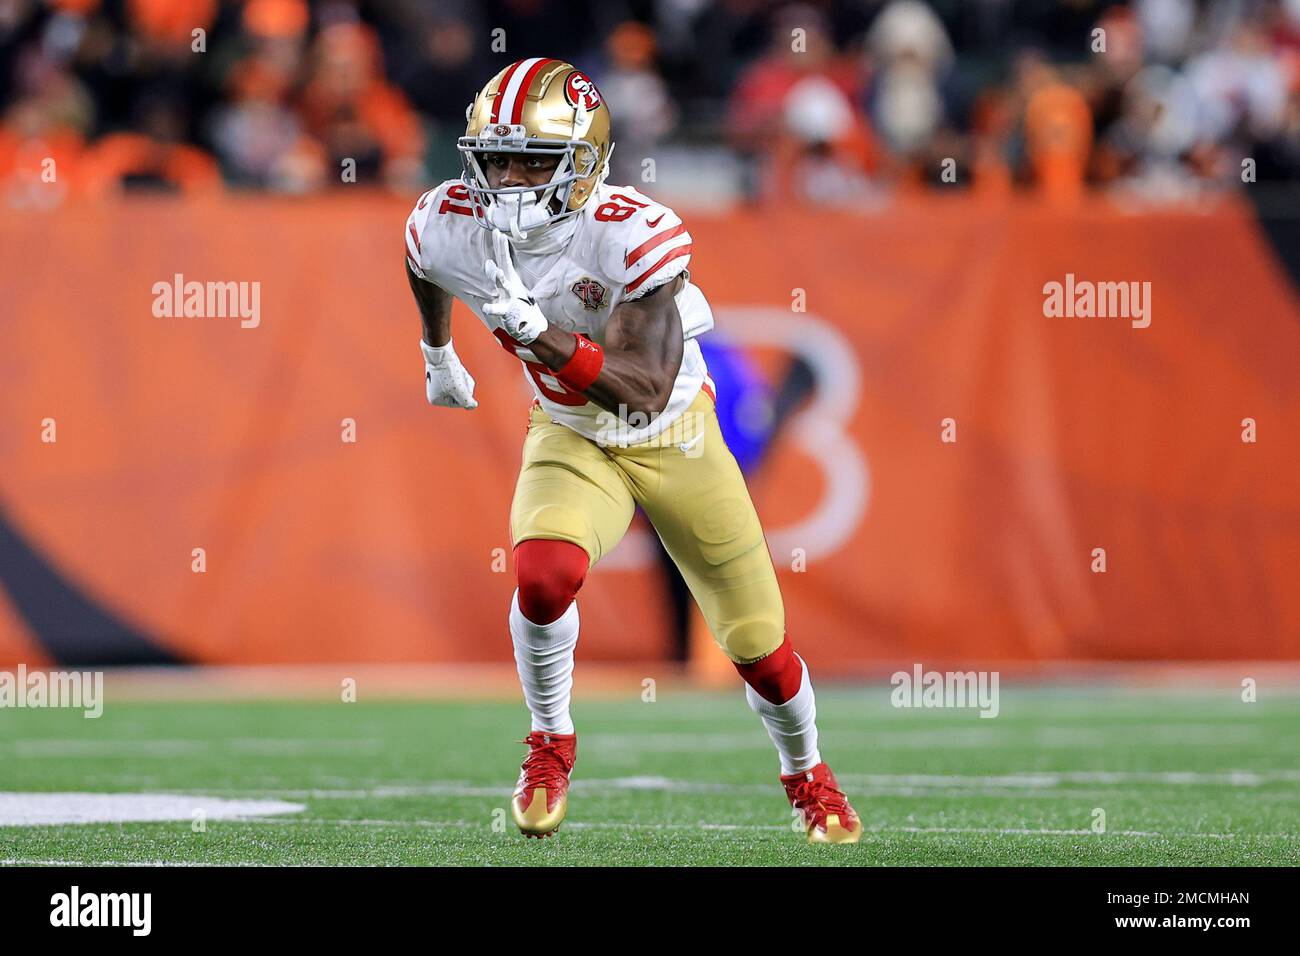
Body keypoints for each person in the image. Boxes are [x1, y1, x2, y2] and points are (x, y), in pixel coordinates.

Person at [403, 58, 860, 844]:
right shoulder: (449, 219)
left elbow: (644, 387)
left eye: (534, 161)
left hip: (671, 435)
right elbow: (423, 261)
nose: (509, 180)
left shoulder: (630, 233)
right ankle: (549, 742)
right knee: (544, 577)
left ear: (584, 167)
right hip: (572, 434)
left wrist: (535, 332)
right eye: (497, 159)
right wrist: (436, 351)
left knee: (760, 647)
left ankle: (806, 772)